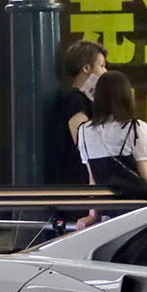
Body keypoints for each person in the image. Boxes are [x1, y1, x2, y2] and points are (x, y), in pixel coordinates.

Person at [77, 70, 147, 192]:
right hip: (132, 199)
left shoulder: (84, 131)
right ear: (126, 95)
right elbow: (145, 175)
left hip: (104, 201)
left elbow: (92, 180)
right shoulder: (135, 127)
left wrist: (95, 204)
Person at [46, 39, 107, 184]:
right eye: (101, 65)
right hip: (79, 180)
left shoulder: (82, 99)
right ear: (86, 68)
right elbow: (83, 141)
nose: (105, 71)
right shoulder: (76, 100)